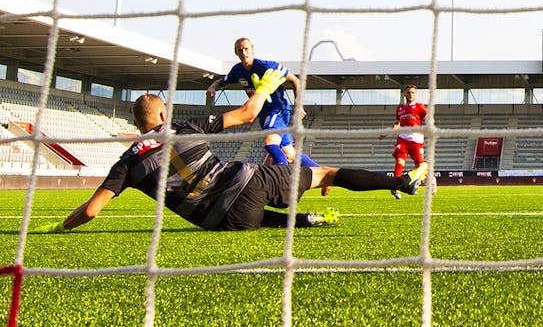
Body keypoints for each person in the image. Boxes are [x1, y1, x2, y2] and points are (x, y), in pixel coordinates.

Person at [31, 70, 427, 233]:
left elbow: (92, 210)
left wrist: (59, 227)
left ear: (137, 124)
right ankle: (402, 181)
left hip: (224, 220)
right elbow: (250, 112)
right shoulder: (186, 126)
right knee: (325, 174)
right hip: (246, 182)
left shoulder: (128, 162)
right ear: (163, 113)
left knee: (244, 216)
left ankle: (304, 220)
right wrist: (269, 83)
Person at [206, 37, 321, 169]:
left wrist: (299, 106)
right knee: (290, 154)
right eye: (240, 50)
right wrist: (213, 86)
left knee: (270, 141)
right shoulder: (237, 70)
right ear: (236, 53)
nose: (244, 53)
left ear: (252, 49)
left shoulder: (266, 66)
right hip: (263, 114)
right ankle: (322, 172)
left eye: (246, 49)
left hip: (276, 110)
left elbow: (295, 80)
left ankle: (279, 178)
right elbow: (222, 81)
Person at [385, 85, 428, 199]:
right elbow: (397, 122)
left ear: (415, 94)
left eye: (413, 92)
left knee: (420, 165)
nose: (410, 94)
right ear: (405, 94)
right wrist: (391, 130)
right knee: (400, 161)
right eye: (408, 92)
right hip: (403, 138)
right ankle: (395, 188)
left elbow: (428, 117)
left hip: (416, 139)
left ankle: (416, 184)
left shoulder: (419, 107)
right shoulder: (400, 108)